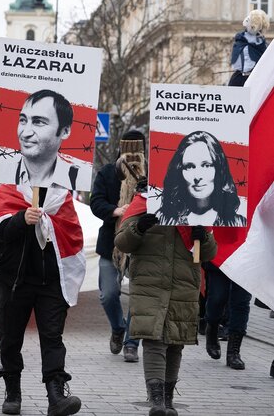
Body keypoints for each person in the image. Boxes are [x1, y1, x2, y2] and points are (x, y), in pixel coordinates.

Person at [0, 181, 86, 416]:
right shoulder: (7, 190)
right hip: (16, 281)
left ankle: (56, 395)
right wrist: (20, 220)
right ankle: (12, 389)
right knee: (11, 338)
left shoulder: (60, 195)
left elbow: (72, 233)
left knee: (53, 337)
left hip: (52, 281)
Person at [115, 187, 217, 416]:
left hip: (183, 285)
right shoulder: (144, 201)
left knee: (175, 342)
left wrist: (204, 237)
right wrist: (138, 228)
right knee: (154, 340)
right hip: (150, 286)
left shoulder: (199, 206)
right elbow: (122, 242)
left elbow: (209, 253)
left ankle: (168, 400)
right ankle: (157, 400)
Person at [90, 130, 146, 362]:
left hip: (143, 242)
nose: (133, 155)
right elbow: (96, 202)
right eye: (129, 149)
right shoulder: (108, 173)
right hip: (111, 243)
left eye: (138, 150)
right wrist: (116, 211)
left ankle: (132, 343)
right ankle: (118, 327)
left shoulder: (151, 174)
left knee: (139, 297)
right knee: (108, 295)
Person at [156, 131, 246, 227]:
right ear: (180, 171)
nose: (197, 176)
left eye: (206, 165)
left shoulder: (238, 223)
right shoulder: (162, 219)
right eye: (189, 166)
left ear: (219, 169)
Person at [14, 89, 85, 190]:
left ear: (65, 131)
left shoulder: (76, 179)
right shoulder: (2, 173)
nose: (26, 133)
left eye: (38, 122)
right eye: (23, 120)